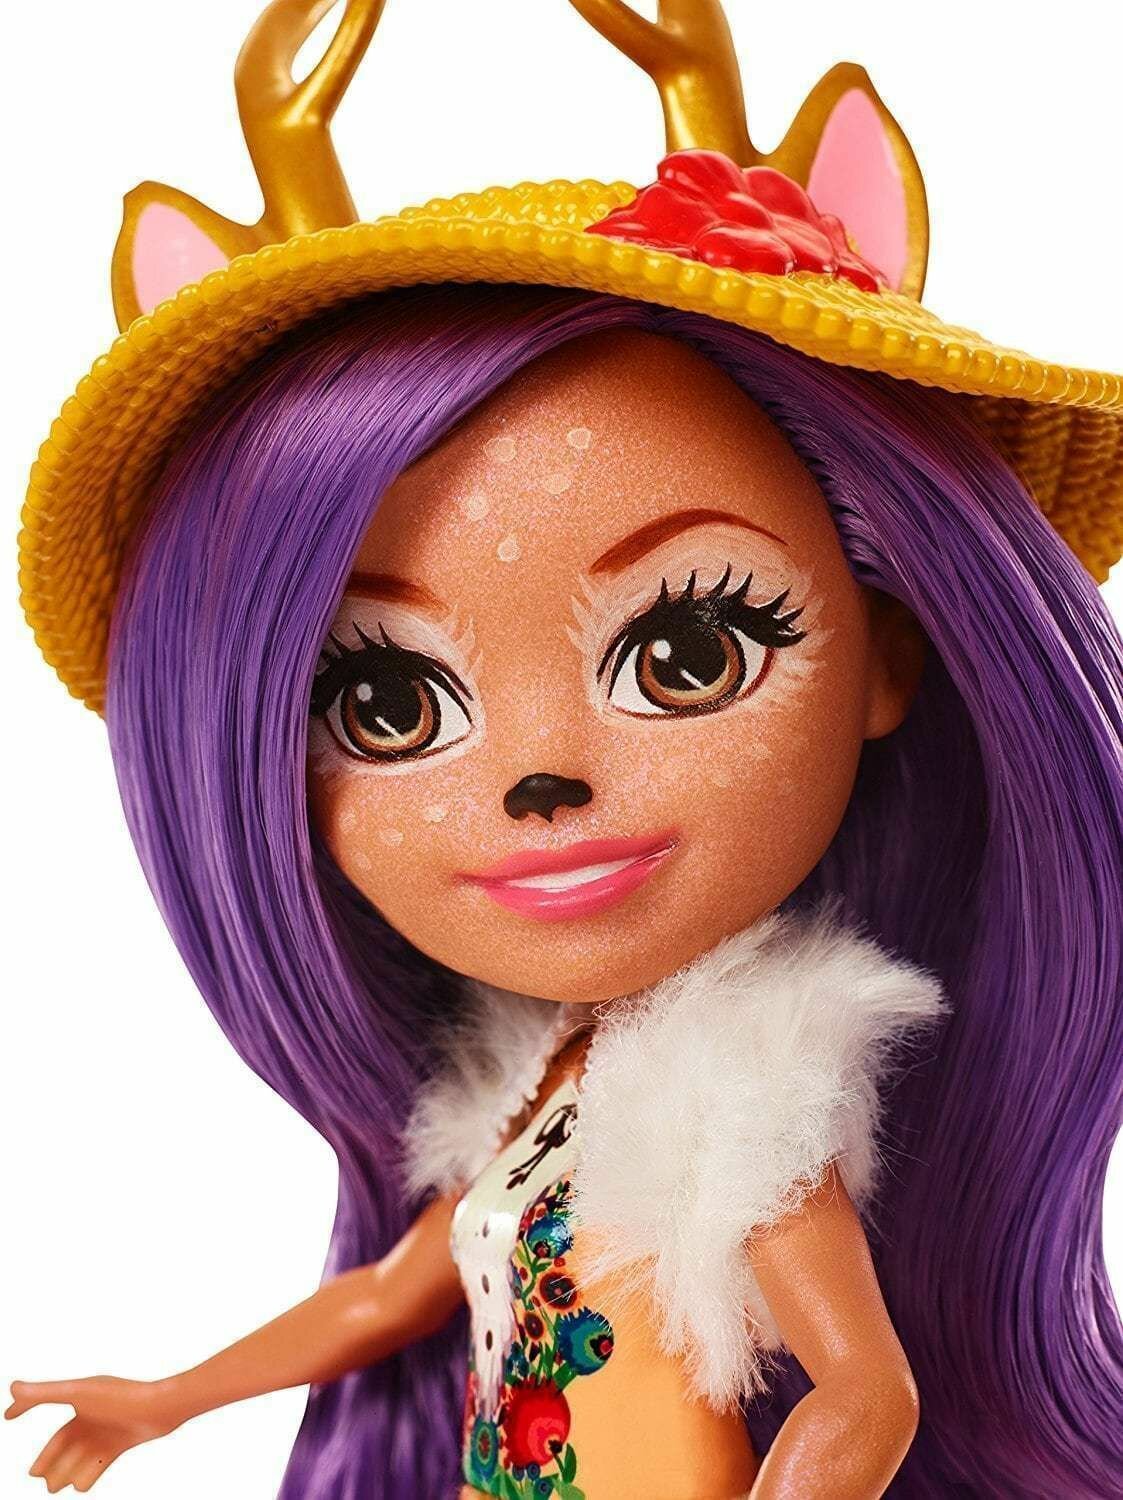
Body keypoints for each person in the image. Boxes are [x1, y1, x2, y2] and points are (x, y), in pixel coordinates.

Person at [10, 3, 1123, 1497]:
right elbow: (388, 1300)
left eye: (688, 654)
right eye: (388, 704)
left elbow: (867, 1397)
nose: (539, 775)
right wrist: (167, 1398)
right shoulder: (536, 1082)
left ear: (889, 651)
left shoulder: (747, 1086)